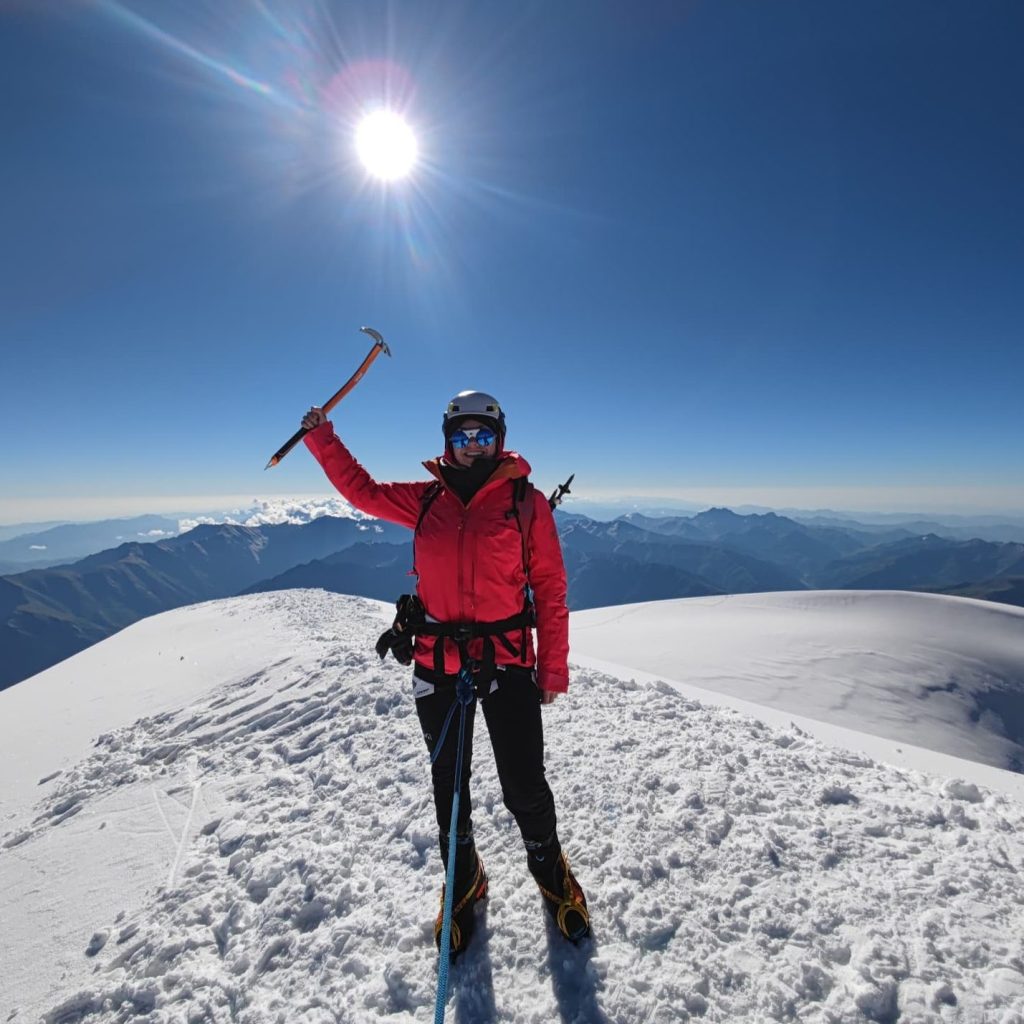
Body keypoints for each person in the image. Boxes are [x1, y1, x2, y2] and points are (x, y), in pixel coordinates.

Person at [301, 390, 589, 954]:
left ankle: (549, 868)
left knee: (524, 783)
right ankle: (463, 878)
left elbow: (550, 588)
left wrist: (552, 668)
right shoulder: (427, 498)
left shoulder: (526, 503)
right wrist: (322, 438)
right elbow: (363, 492)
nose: (472, 446)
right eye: (462, 436)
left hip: (507, 660)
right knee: (449, 786)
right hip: (437, 663)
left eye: (483, 436)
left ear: (500, 440)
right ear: (447, 441)